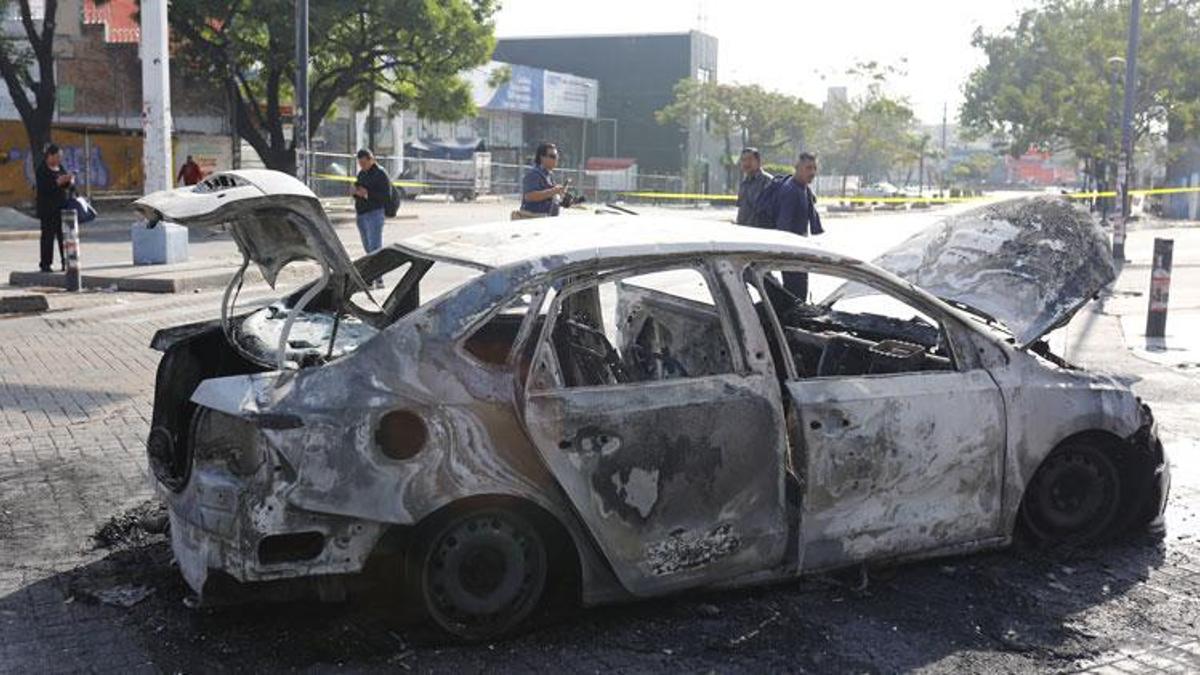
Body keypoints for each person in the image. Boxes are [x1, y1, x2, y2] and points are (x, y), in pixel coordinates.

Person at [773, 152, 824, 299]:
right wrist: (790, 256)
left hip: (799, 252)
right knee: (795, 297)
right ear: (797, 168)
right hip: (791, 254)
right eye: (808, 168)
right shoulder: (791, 191)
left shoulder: (803, 189)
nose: (812, 172)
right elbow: (783, 228)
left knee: (795, 296)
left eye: (814, 168)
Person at [35, 144, 74, 273]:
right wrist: (56, 182)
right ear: (49, 156)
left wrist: (69, 181)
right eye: (57, 156)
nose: (59, 159)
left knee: (64, 236)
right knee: (48, 237)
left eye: (61, 157)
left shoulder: (60, 168)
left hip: (61, 208)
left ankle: (65, 262)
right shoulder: (42, 170)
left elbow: (65, 186)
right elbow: (43, 188)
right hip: (47, 209)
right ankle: (45, 264)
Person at [352, 148, 391, 255]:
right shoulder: (361, 174)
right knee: (368, 248)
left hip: (374, 213)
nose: (362, 166)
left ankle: (377, 268)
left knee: (374, 248)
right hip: (361, 213)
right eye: (360, 163)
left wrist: (367, 194)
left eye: (364, 163)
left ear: (371, 160)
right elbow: (358, 190)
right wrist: (355, 192)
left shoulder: (380, 173)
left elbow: (386, 195)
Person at [519, 143, 566, 217]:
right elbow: (529, 196)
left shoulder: (549, 175)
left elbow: (550, 196)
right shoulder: (534, 174)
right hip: (534, 218)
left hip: (547, 217)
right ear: (542, 157)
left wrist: (559, 193)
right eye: (552, 156)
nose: (556, 159)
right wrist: (553, 191)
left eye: (557, 156)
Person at [735, 147, 773, 225]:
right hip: (742, 231)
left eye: (749, 159)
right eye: (743, 160)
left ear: (758, 162)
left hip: (760, 231)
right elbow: (741, 208)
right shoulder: (744, 183)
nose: (746, 163)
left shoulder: (767, 181)